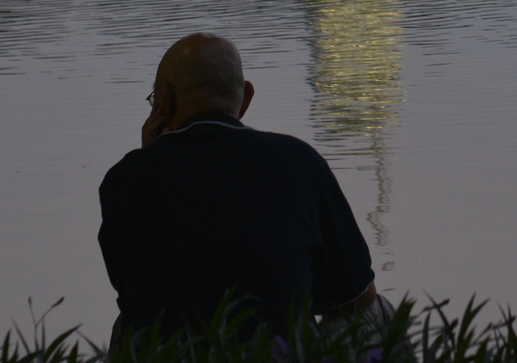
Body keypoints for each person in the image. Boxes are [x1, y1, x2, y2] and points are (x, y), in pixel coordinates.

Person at [97, 32, 383, 338]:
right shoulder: (298, 160)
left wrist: (148, 159)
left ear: (162, 103)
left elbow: (132, 285)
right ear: (245, 97)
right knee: (374, 311)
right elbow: (357, 296)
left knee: (126, 324)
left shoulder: (124, 179)